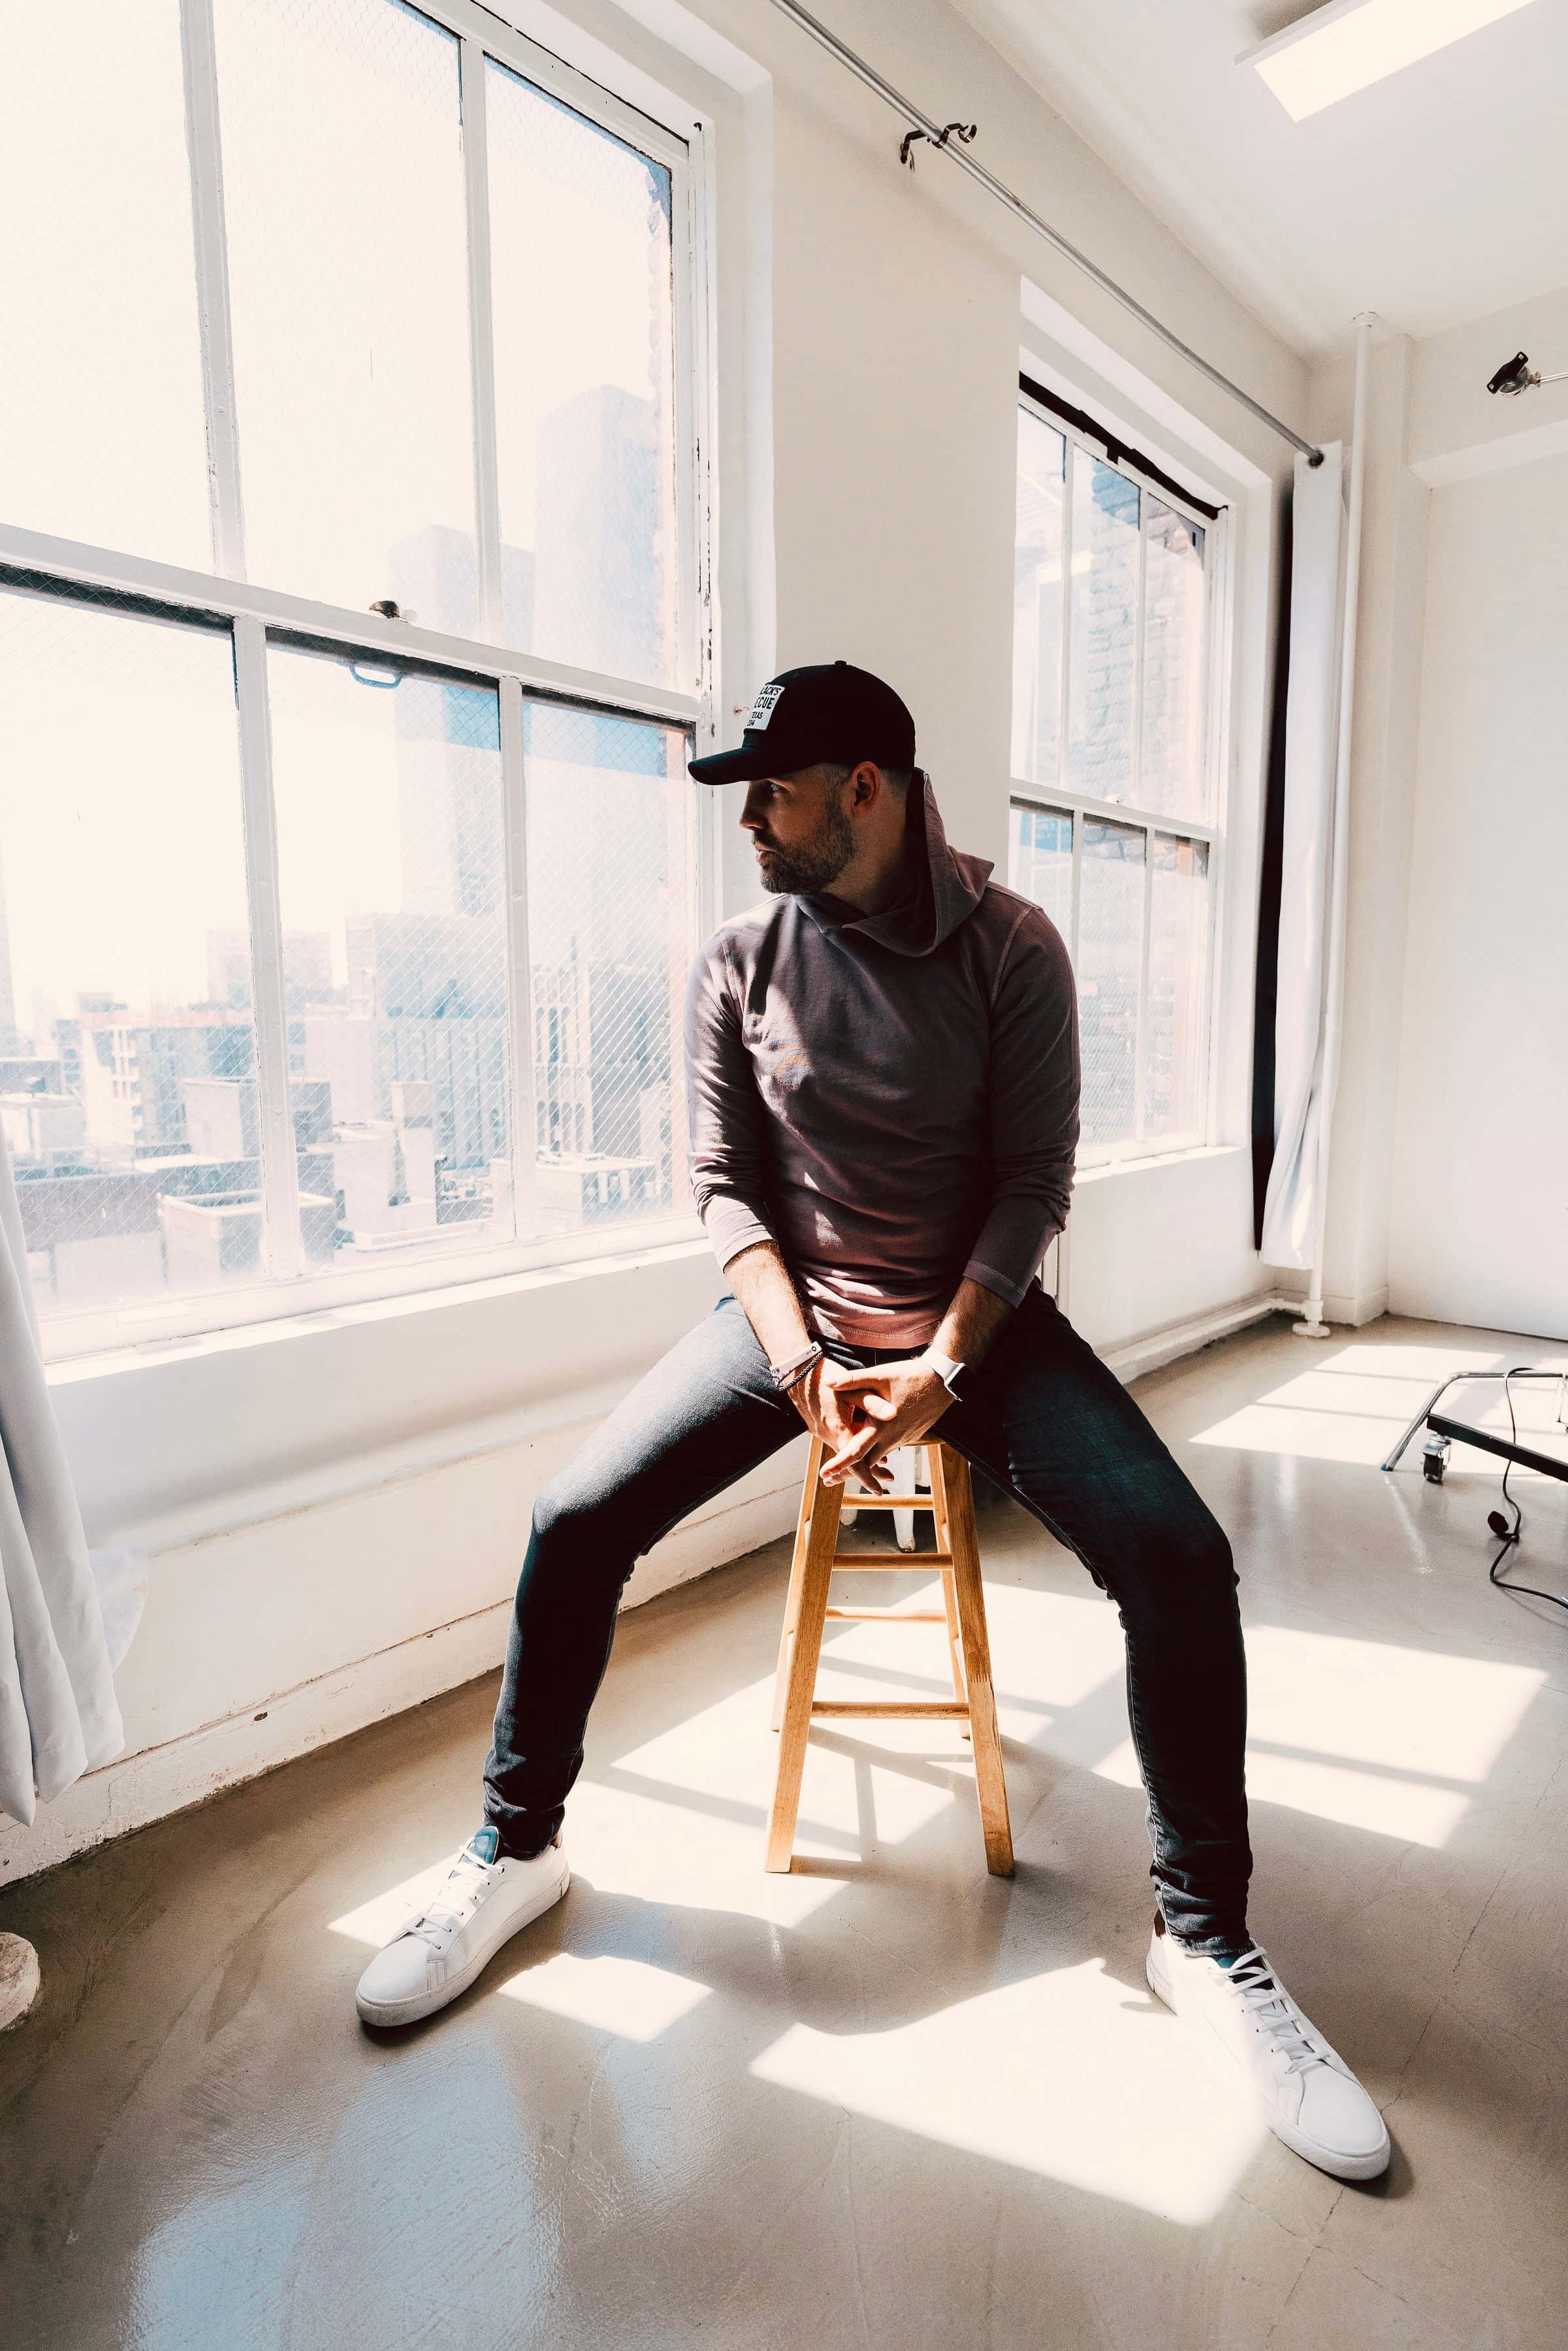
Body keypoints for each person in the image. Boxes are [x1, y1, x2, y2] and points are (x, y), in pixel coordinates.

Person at [355, 662, 1390, 2184]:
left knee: (1177, 1560)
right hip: (796, 1328)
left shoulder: (1013, 950)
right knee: (574, 1519)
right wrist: (800, 1364)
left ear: (868, 788)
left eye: (774, 792)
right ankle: (516, 1851)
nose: (753, 824)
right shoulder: (735, 959)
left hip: (980, 1331)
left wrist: (944, 1369)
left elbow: (1033, 1186)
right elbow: (727, 1189)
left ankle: (1205, 1941)